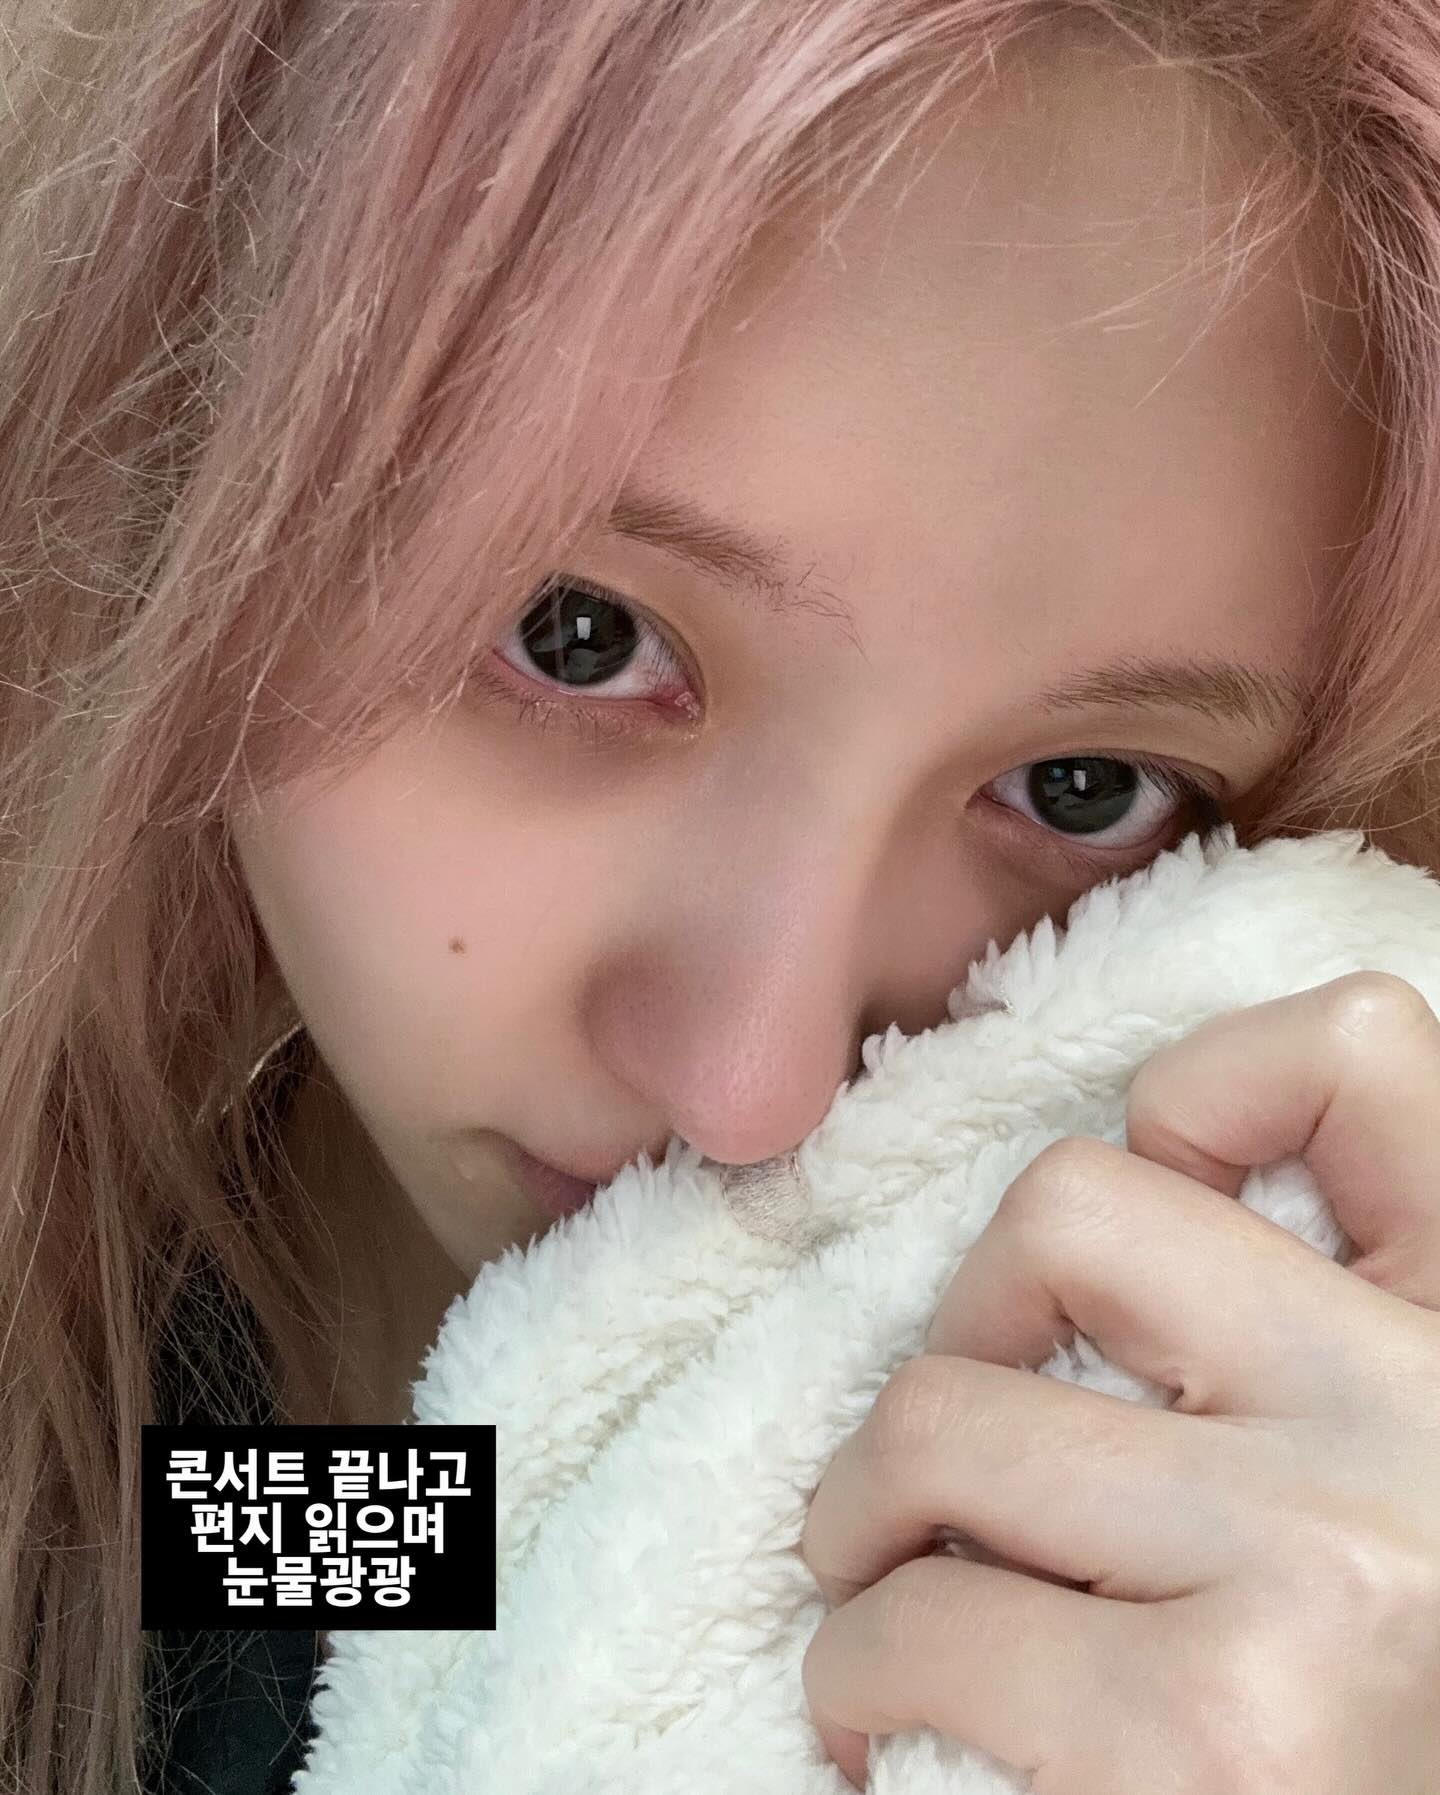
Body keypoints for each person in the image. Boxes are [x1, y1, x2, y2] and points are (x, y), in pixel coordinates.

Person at [2, 0, 1439, 1790]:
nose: (759, 1095)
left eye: (1086, 791)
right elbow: (409, 1557)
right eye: (576, 635)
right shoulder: (211, 1474)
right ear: (180, 438)